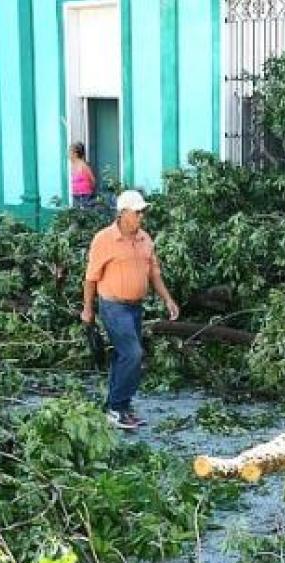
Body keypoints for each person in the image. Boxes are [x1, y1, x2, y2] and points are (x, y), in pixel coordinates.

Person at [81, 190, 180, 431]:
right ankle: (116, 408)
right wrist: (87, 309)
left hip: (135, 307)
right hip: (113, 306)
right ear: (123, 213)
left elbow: (154, 273)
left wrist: (168, 299)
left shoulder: (145, 239)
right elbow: (91, 278)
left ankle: (119, 407)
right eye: (137, 213)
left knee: (122, 356)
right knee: (133, 354)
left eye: (142, 213)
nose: (140, 217)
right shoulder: (104, 240)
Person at [69, 142, 96, 207]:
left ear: (75, 154)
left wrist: (90, 191)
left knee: (85, 213)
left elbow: (93, 180)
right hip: (75, 194)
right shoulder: (72, 165)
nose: (69, 154)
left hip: (85, 195)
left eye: (70, 152)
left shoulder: (84, 165)